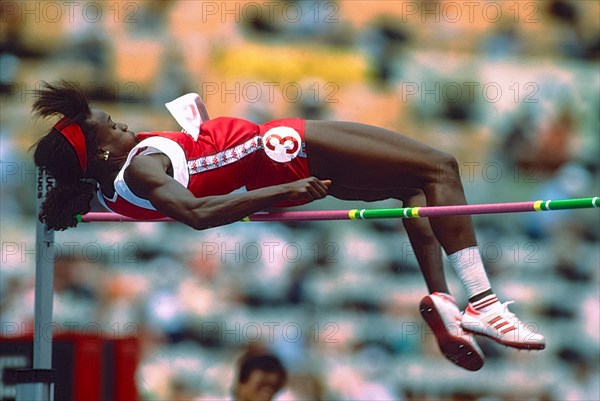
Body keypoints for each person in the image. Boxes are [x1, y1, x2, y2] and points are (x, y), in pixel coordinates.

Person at [31, 81, 545, 371]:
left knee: (415, 190)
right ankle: (485, 303)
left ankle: (447, 304)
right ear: (100, 151)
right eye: (110, 125)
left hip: (273, 162)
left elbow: (191, 172)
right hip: (288, 148)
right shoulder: (141, 169)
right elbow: (197, 215)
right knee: (442, 167)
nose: (122, 123)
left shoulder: (109, 194)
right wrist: (287, 193)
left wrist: (60, 205)